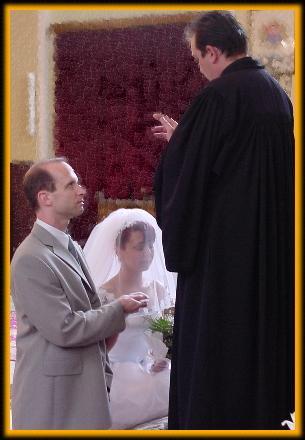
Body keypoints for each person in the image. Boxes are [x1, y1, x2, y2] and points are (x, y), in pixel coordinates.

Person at [151, 10, 294, 429]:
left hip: (223, 260)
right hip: (269, 252)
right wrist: (189, 142)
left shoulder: (219, 97)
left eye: (197, 57)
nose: (199, 66)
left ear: (213, 52)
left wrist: (181, 146)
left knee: (219, 351)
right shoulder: (277, 95)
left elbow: (188, 177)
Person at [10, 157, 149, 430]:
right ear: (45, 198)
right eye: (71, 185)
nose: (82, 190)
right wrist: (119, 309)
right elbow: (64, 328)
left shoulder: (70, 245)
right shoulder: (31, 258)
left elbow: (90, 308)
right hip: (53, 400)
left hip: (79, 389)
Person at [83, 208, 177, 429]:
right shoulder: (103, 294)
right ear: (118, 250)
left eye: (151, 246)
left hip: (154, 372)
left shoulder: (158, 290)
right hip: (117, 375)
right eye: (138, 247)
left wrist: (163, 357)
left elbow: (167, 333)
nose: (147, 253)